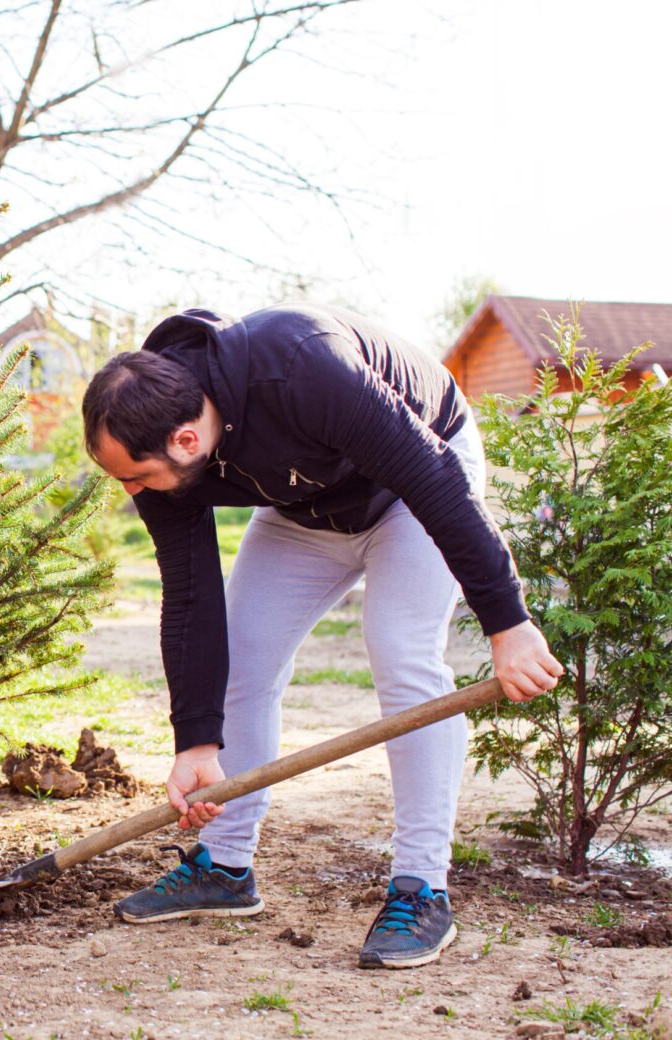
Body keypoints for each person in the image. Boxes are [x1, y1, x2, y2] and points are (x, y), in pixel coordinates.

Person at [82, 303, 562, 969]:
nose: (132, 491)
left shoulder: (302, 363)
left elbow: (435, 483)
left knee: (400, 649)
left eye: (135, 476)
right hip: (307, 509)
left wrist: (508, 624)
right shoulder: (161, 438)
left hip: (416, 484)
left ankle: (423, 886)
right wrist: (196, 740)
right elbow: (190, 596)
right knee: (243, 659)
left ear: (186, 442)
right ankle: (223, 870)